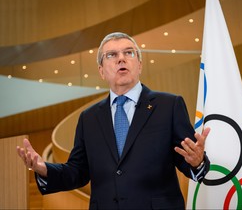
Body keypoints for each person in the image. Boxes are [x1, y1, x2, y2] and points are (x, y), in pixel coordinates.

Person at [17, 32, 210, 210]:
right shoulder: (88, 119)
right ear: (101, 71)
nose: (121, 58)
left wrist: (197, 162)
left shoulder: (169, 105)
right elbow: (77, 172)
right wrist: (44, 169)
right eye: (111, 55)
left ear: (140, 65)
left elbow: (189, 162)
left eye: (128, 52)